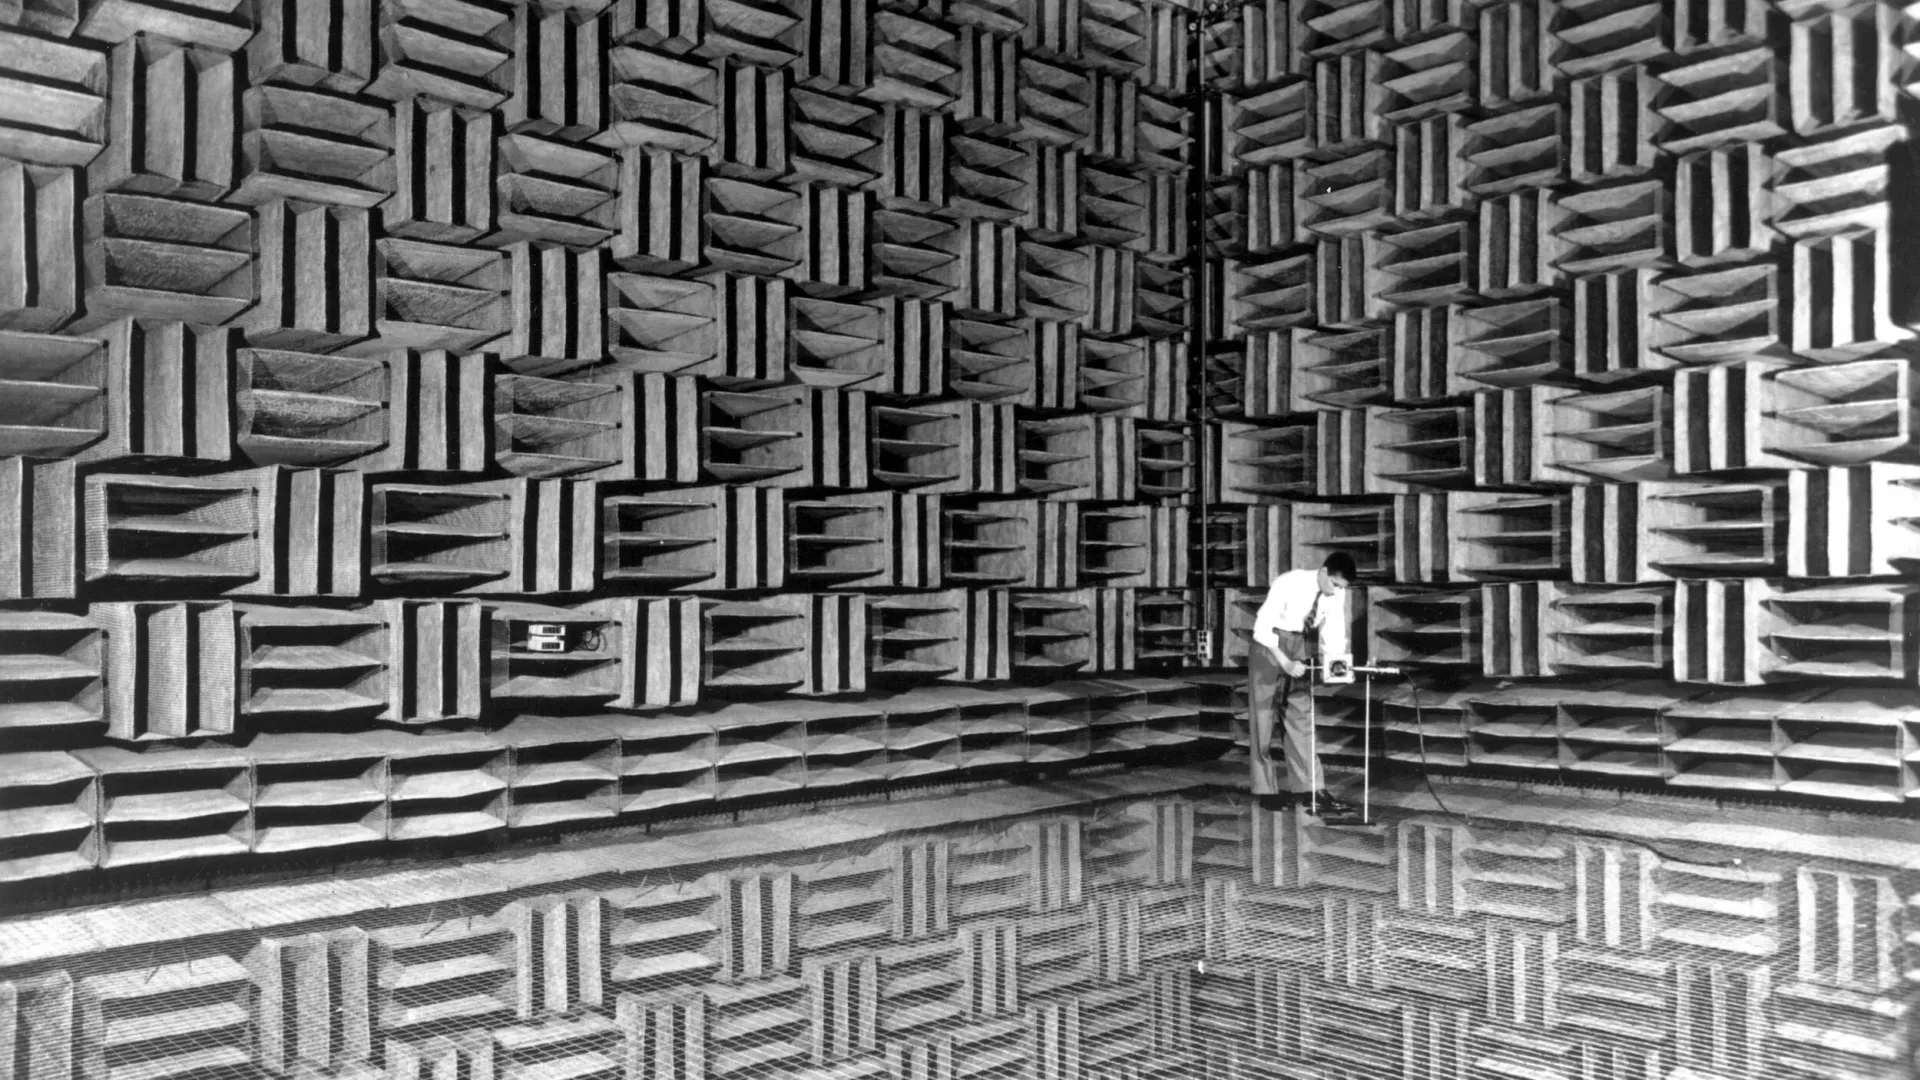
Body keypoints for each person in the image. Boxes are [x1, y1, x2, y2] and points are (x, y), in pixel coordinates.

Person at [1247, 551, 1357, 814]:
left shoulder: (1335, 593)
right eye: (1334, 584)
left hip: (1299, 645)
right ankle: (1266, 791)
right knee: (1263, 720)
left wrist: (1337, 668)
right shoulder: (1289, 582)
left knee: (1301, 718)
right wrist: (1284, 662)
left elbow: (1333, 631)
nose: (1335, 592)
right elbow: (1262, 628)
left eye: (1341, 588)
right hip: (1269, 647)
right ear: (1323, 572)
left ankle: (1312, 790)